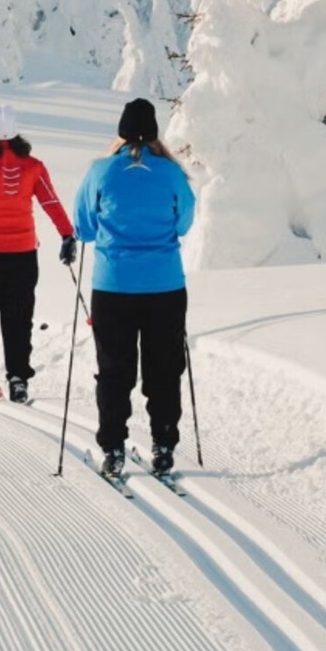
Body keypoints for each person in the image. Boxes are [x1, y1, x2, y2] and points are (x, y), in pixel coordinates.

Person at [72, 98, 197, 478]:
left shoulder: (101, 172)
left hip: (113, 286)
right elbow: (185, 223)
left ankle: (113, 446)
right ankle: (163, 442)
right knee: (164, 368)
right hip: (164, 285)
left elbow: (84, 227)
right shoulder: (172, 174)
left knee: (114, 370)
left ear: (121, 132)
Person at [0, 104, 77, 405]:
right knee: (18, 320)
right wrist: (67, 234)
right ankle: (18, 379)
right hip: (22, 255)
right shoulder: (33, 166)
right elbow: (50, 201)